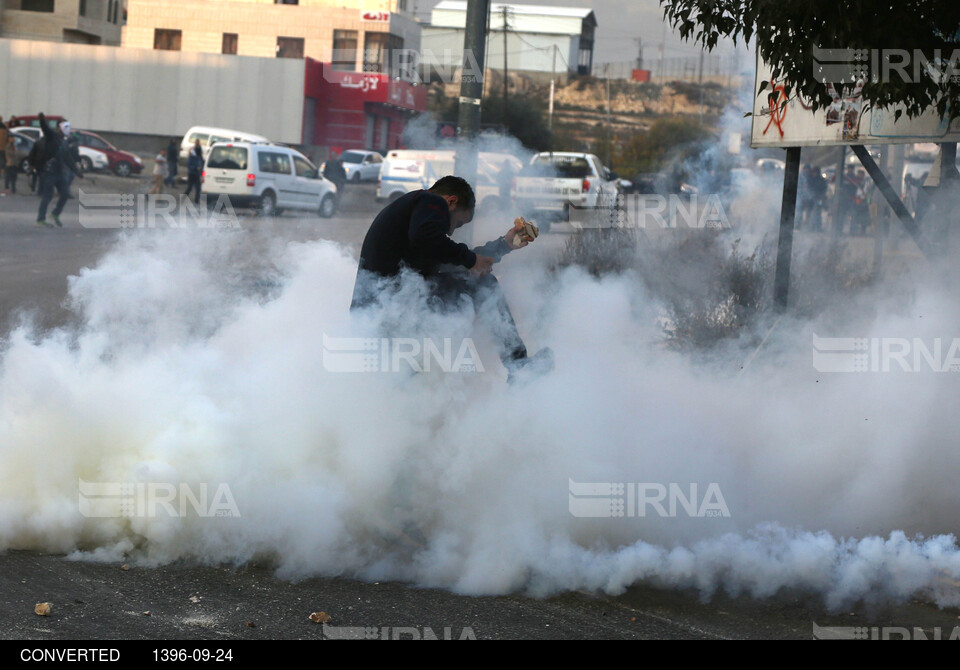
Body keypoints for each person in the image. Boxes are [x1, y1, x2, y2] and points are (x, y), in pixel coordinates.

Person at [351, 175, 553, 382]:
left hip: (381, 309)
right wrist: (469, 259)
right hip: (393, 301)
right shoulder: (431, 201)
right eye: (457, 222)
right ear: (451, 201)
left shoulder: (412, 220)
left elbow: (453, 262)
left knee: (402, 376)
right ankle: (518, 366)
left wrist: (503, 245)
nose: (451, 230)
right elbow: (429, 240)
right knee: (484, 285)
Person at [35, 114, 82, 228]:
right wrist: (42, 120)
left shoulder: (64, 141)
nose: (68, 130)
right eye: (65, 127)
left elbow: (68, 158)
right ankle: (41, 219)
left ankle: (55, 214)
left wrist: (77, 171)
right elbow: (45, 128)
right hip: (49, 172)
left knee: (65, 193)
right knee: (48, 195)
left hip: (60, 172)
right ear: (59, 128)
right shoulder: (52, 137)